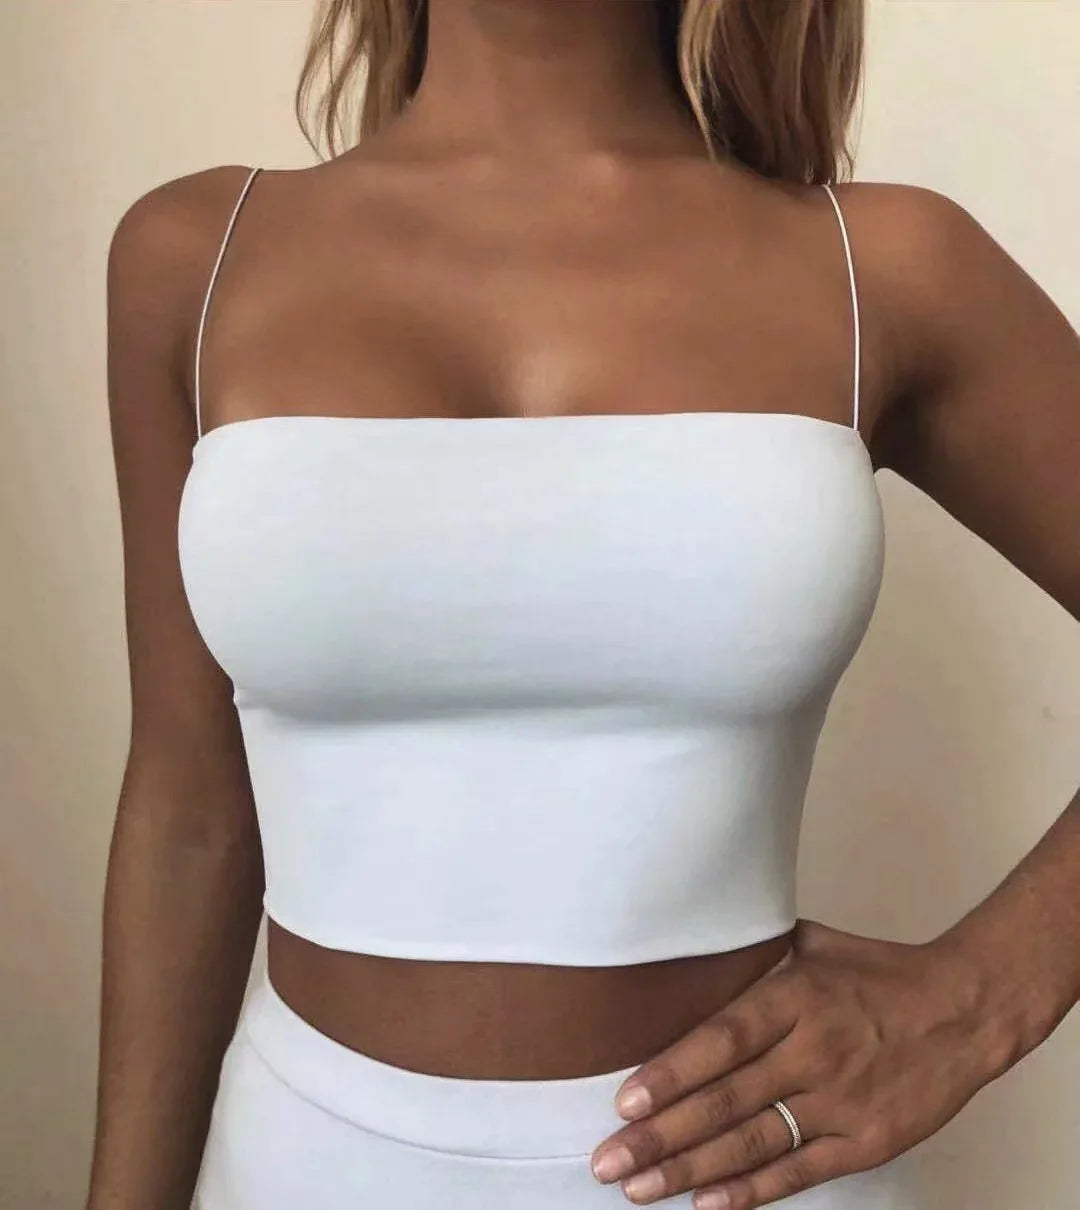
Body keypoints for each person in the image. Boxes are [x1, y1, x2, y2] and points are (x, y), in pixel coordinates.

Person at [86, 1, 1080, 1208]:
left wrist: (982, 997)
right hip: (301, 1162)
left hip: (748, 1177)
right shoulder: (195, 258)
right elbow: (189, 808)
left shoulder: (884, 270)